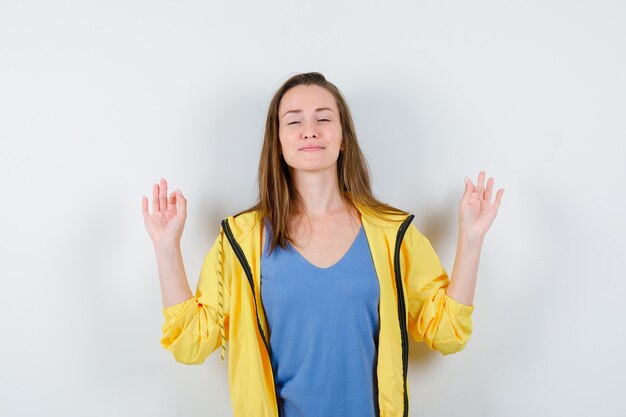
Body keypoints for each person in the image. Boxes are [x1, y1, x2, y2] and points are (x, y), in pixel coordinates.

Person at [141, 72, 504, 417]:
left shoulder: (393, 234)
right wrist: (165, 246)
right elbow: (191, 343)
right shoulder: (241, 240)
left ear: (343, 136)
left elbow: (447, 334)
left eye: (324, 119)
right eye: (294, 121)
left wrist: (471, 240)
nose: (309, 131)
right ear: (278, 140)